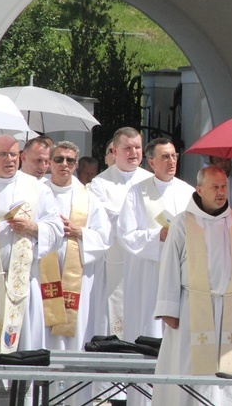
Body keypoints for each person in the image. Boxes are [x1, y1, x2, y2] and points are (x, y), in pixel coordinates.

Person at [153, 166, 232, 406]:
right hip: (193, 308)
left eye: (224, 187)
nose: (221, 192)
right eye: (215, 187)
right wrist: (169, 308)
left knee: (231, 370)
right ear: (199, 189)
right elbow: (168, 266)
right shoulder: (182, 223)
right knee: (192, 369)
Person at [0, 134, 64, 405]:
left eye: (14, 154)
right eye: (3, 154)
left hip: (21, 288)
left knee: (22, 352)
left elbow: (56, 228)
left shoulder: (38, 189)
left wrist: (34, 228)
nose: (9, 160)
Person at [43, 141, 110, 405]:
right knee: (43, 339)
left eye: (70, 161)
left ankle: (74, 401)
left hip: (76, 282)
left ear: (76, 164)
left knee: (75, 340)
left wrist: (79, 232)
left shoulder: (88, 197)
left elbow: (105, 237)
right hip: (42, 283)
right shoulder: (38, 192)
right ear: (49, 162)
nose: (64, 165)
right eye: (59, 159)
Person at [117, 138, 194, 343]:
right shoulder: (137, 192)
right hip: (147, 272)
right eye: (165, 157)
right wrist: (156, 236)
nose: (172, 161)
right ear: (152, 162)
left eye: (174, 156)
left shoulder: (188, 192)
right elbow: (126, 234)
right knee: (148, 323)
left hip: (179, 269)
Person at [89, 127, 151, 339]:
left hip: (145, 259)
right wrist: (136, 222)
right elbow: (106, 218)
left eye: (137, 147)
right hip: (115, 260)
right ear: (114, 152)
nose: (134, 152)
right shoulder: (100, 183)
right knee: (114, 314)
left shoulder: (151, 180)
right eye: (127, 148)